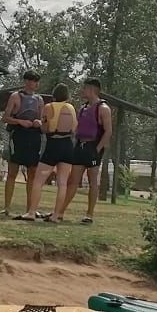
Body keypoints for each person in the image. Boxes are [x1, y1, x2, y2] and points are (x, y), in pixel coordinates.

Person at [54, 78, 116, 223]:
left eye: (85, 88)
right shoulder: (83, 108)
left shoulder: (103, 108)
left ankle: (89, 214)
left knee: (93, 180)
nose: (82, 91)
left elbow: (108, 132)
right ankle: (60, 212)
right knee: (73, 181)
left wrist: (97, 149)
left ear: (92, 89)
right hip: (79, 146)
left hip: (93, 147)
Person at [0, 70, 46, 220]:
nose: (36, 84)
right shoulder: (15, 96)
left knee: (33, 174)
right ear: (27, 81)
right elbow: (5, 118)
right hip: (18, 136)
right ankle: (6, 207)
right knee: (12, 172)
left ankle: (30, 209)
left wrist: (39, 122)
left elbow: (42, 120)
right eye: (34, 80)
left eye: (37, 81)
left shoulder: (39, 99)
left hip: (34, 137)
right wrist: (20, 121)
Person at [35, 84, 78, 222]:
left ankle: (31, 212)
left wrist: (38, 124)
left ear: (54, 95)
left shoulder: (49, 107)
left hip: (53, 144)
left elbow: (45, 128)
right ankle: (56, 215)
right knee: (62, 183)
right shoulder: (71, 108)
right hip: (68, 146)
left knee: (38, 180)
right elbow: (74, 128)